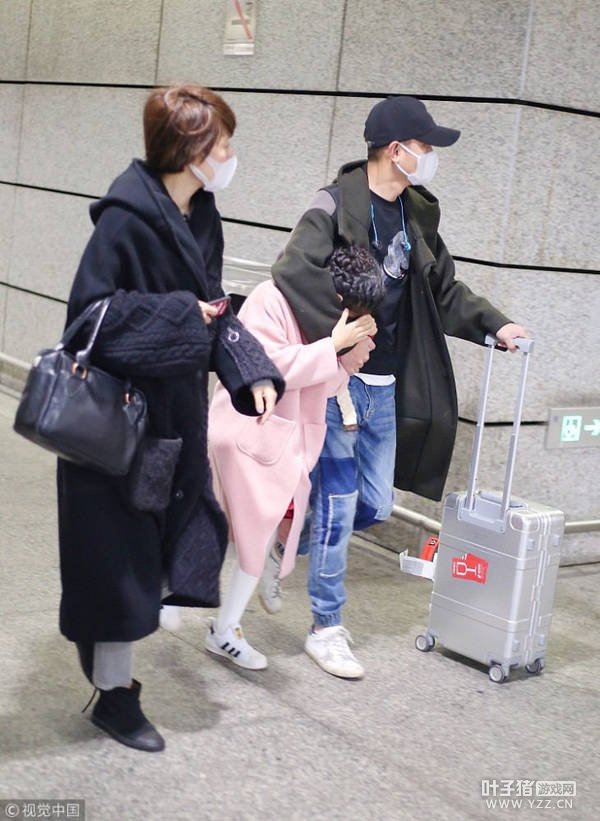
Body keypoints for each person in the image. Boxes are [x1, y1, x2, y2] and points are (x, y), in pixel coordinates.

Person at [267, 95, 528, 679]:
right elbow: (291, 273)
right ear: (395, 150)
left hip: (385, 384)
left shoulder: (417, 214)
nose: (430, 156)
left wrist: (496, 324)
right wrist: (339, 336)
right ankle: (326, 627)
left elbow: (443, 289)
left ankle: (286, 542)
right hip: (339, 379)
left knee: (375, 504)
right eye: (424, 146)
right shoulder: (335, 205)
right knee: (339, 505)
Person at [57, 84, 284, 751]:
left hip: (174, 420)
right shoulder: (125, 220)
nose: (231, 156)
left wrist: (249, 369)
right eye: (223, 145)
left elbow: (214, 307)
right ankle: (114, 695)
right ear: (190, 150)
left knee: (151, 553)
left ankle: (105, 655)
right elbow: (88, 320)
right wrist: (184, 317)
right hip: (119, 425)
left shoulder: (202, 214)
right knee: (119, 562)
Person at [206, 246, 382, 669]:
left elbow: (322, 386)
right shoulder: (271, 298)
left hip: (284, 446)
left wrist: (346, 362)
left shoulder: (324, 320)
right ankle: (196, 612)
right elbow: (263, 367)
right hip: (245, 434)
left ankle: (224, 627)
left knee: (258, 536)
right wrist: (333, 347)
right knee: (227, 530)